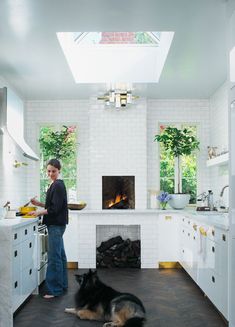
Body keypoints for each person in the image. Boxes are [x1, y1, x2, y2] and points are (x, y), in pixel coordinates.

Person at [30, 158, 68, 298]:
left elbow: (54, 208)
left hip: (55, 225)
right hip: (58, 225)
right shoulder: (56, 184)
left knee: (54, 258)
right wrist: (38, 203)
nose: (51, 173)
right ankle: (62, 285)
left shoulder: (57, 185)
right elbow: (51, 205)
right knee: (60, 256)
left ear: (59, 171)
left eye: (53, 171)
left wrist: (38, 212)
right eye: (49, 171)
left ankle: (55, 290)